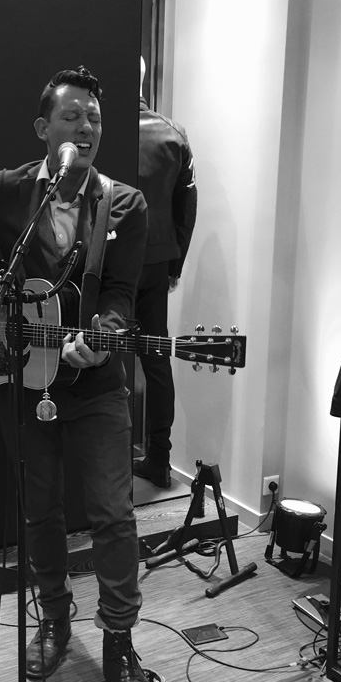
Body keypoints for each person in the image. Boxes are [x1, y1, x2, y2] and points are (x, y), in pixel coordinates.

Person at [0, 65, 159, 682]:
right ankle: (53, 618)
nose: (86, 128)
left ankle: (119, 647)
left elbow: (120, 296)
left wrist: (102, 337)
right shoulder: (13, 189)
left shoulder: (125, 204)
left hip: (97, 384)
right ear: (43, 128)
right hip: (25, 381)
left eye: (95, 118)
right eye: (72, 117)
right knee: (40, 513)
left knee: (113, 515)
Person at [132, 58, 197, 489]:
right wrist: (176, 264)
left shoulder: (98, 133)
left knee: (99, 352)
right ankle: (160, 458)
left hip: (107, 263)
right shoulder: (173, 132)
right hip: (156, 260)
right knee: (156, 359)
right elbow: (186, 207)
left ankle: (103, 459)